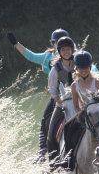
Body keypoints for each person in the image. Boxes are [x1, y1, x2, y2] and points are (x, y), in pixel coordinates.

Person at [7, 28, 71, 160]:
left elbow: (90, 68)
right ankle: (43, 151)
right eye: (57, 42)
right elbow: (30, 55)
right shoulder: (47, 56)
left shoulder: (74, 55)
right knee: (45, 121)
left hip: (74, 94)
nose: (61, 45)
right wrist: (15, 43)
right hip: (57, 96)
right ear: (53, 44)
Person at [53, 50, 99, 171]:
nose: (83, 70)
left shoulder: (98, 83)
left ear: (90, 67)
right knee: (68, 128)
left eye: (86, 68)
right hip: (84, 116)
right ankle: (68, 160)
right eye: (80, 68)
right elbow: (76, 106)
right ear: (76, 69)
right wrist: (82, 112)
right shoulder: (74, 85)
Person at [45, 36, 77, 162]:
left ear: (72, 50)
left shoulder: (78, 63)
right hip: (62, 103)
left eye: (68, 49)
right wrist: (60, 102)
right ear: (59, 51)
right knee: (51, 132)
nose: (66, 52)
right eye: (63, 50)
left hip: (80, 101)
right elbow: (52, 89)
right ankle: (54, 162)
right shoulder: (54, 70)